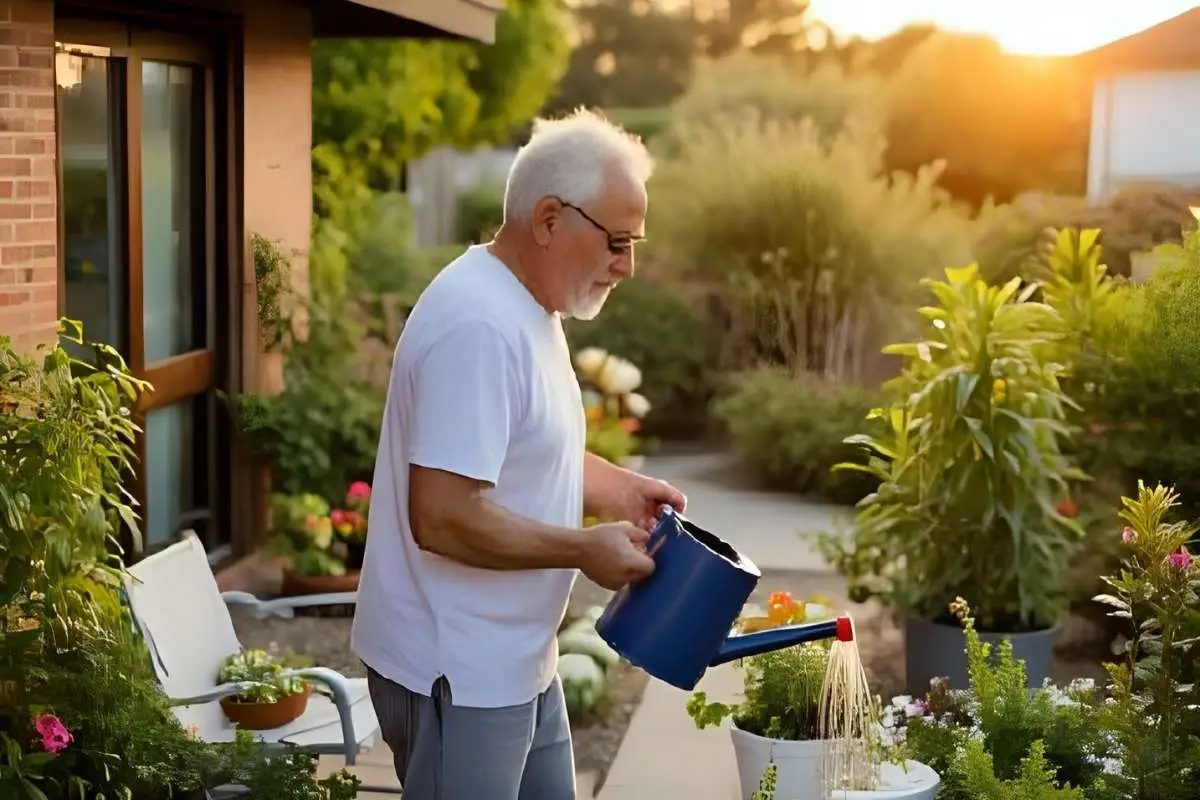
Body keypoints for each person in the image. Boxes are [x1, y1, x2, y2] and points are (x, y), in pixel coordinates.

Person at [350, 109, 688, 800]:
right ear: (548, 220)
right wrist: (581, 548)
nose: (628, 265)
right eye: (617, 241)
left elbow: (523, 451)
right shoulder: (478, 324)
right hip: (457, 671)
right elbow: (442, 515)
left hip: (517, 658)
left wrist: (619, 490)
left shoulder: (533, 306)